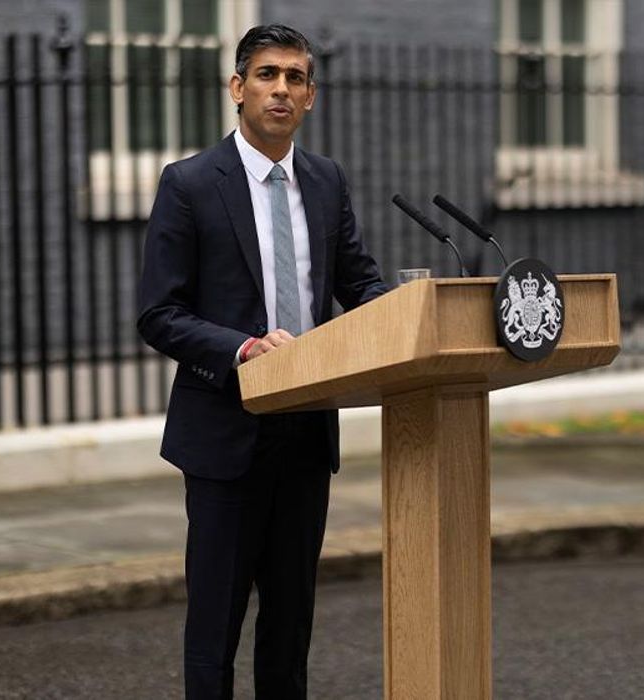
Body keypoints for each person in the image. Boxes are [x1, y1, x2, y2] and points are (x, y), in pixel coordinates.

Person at [136, 24, 389, 699]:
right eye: (267, 74)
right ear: (237, 88)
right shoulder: (189, 184)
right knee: (214, 628)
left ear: (310, 96)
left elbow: (357, 281)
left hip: (306, 430)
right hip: (226, 431)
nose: (281, 88)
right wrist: (244, 348)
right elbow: (158, 313)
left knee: (290, 625)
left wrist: (404, 309)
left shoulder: (326, 182)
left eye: (295, 78)